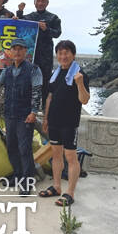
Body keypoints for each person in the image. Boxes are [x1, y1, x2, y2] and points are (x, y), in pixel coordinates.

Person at [0, 38, 42, 196]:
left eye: (20, 49)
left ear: (26, 51)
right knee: (11, 147)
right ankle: (17, 176)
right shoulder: (8, 71)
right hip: (9, 115)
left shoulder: (33, 70)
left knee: (25, 149)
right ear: (10, 52)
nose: (17, 52)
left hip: (25, 116)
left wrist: (34, 112)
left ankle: (27, 182)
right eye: (14, 49)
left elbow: (37, 92)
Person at [39, 40, 90, 206]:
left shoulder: (80, 74)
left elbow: (85, 100)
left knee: (71, 157)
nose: (63, 56)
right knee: (56, 155)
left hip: (69, 123)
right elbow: (50, 97)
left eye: (66, 53)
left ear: (73, 55)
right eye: (60, 53)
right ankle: (56, 187)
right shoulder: (56, 73)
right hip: (54, 121)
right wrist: (46, 118)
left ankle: (70, 193)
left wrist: (80, 83)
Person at [16, 0, 61, 108]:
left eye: (43, 1)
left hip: (45, 55)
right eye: (38, 1)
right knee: (27, 79)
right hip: (30, 54)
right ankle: (28, 106)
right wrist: (19, 12)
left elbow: (57, 33)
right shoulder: (30, 17)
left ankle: (45, 108)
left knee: (45, 81)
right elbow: (19, 22)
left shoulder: (53, 18)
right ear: (34, 2)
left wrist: (47, 29)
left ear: (47, 3)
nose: (40, 3)